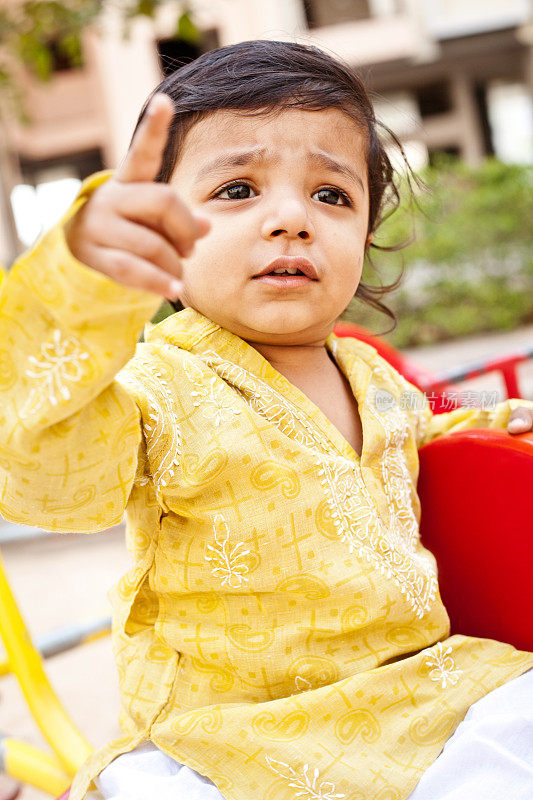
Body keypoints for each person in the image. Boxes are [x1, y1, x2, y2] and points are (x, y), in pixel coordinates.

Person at [1, 40, 532, 800]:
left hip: (406, 692)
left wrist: (503, 417)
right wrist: (85, 289)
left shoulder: (367, 371)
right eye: (237, 188)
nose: (290, 218)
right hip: (224, 732)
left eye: (331, 195)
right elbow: (48, 480)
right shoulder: (157, 384)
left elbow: (426, 426)